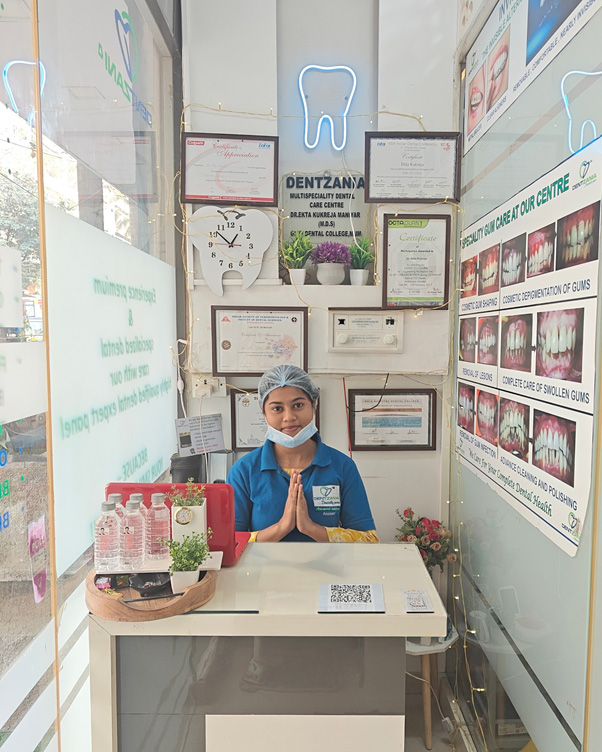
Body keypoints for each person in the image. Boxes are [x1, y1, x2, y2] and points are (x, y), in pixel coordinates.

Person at [227, 364, 379, 542]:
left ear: (313, 404)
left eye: (298, 405)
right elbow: (231, 541)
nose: (289, 417)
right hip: (262, 563)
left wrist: (310, 528)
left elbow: (368, 539)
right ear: (264, 412)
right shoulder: (244, 471)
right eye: (277, 408)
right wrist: (281, 527)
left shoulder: (343, 466)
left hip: (328, 562)